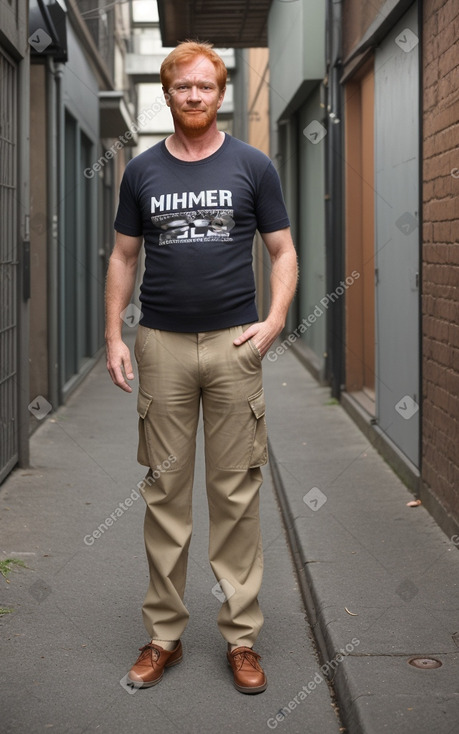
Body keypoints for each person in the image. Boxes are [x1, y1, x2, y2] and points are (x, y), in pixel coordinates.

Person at [105, 40, 298, 694]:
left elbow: (282, 251)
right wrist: (115, 334)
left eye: (205, 87)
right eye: (182, 87)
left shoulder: (253, 166)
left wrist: (272, 323)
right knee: (164, 496)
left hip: (233, 346)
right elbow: (124, 257)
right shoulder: (142, 172)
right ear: (167, 93)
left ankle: (240, 639)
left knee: (235, 495)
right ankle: (164, 637)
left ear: (221, 93)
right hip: (159, 344)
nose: (193, 96)